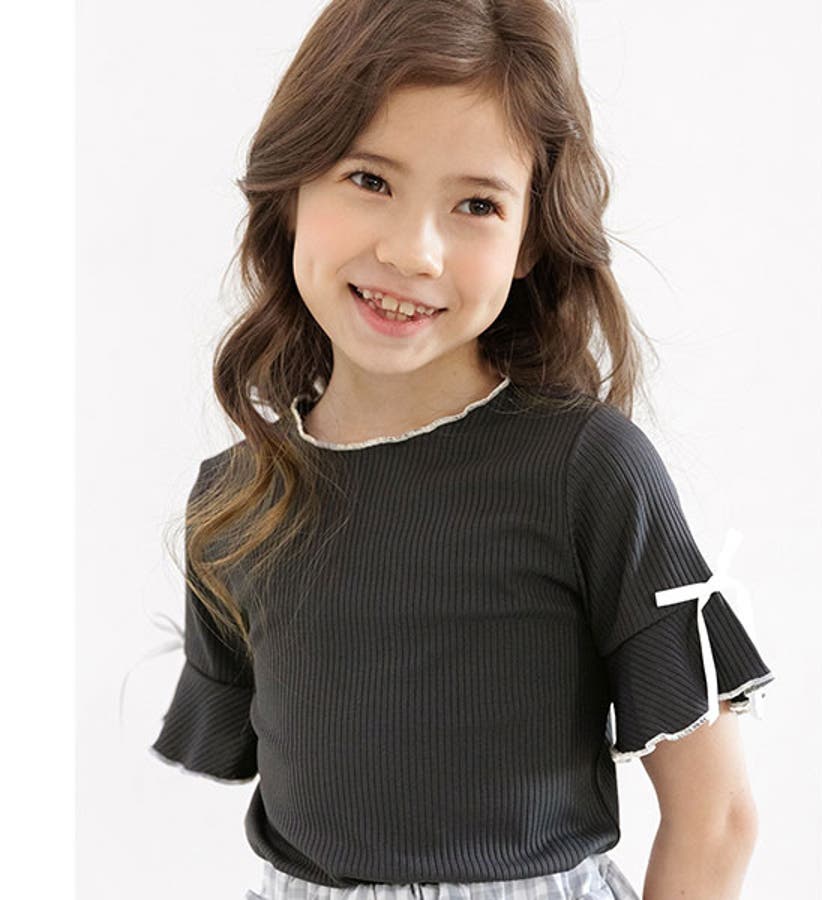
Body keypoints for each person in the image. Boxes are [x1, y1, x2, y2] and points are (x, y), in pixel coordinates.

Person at [148, 1, 775, 898]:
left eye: (477, 204)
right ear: (292, 186)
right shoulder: (236, 500)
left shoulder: (587, 470)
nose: (415, 251)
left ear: (530, 240)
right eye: (370, 179)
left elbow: (718, 818)